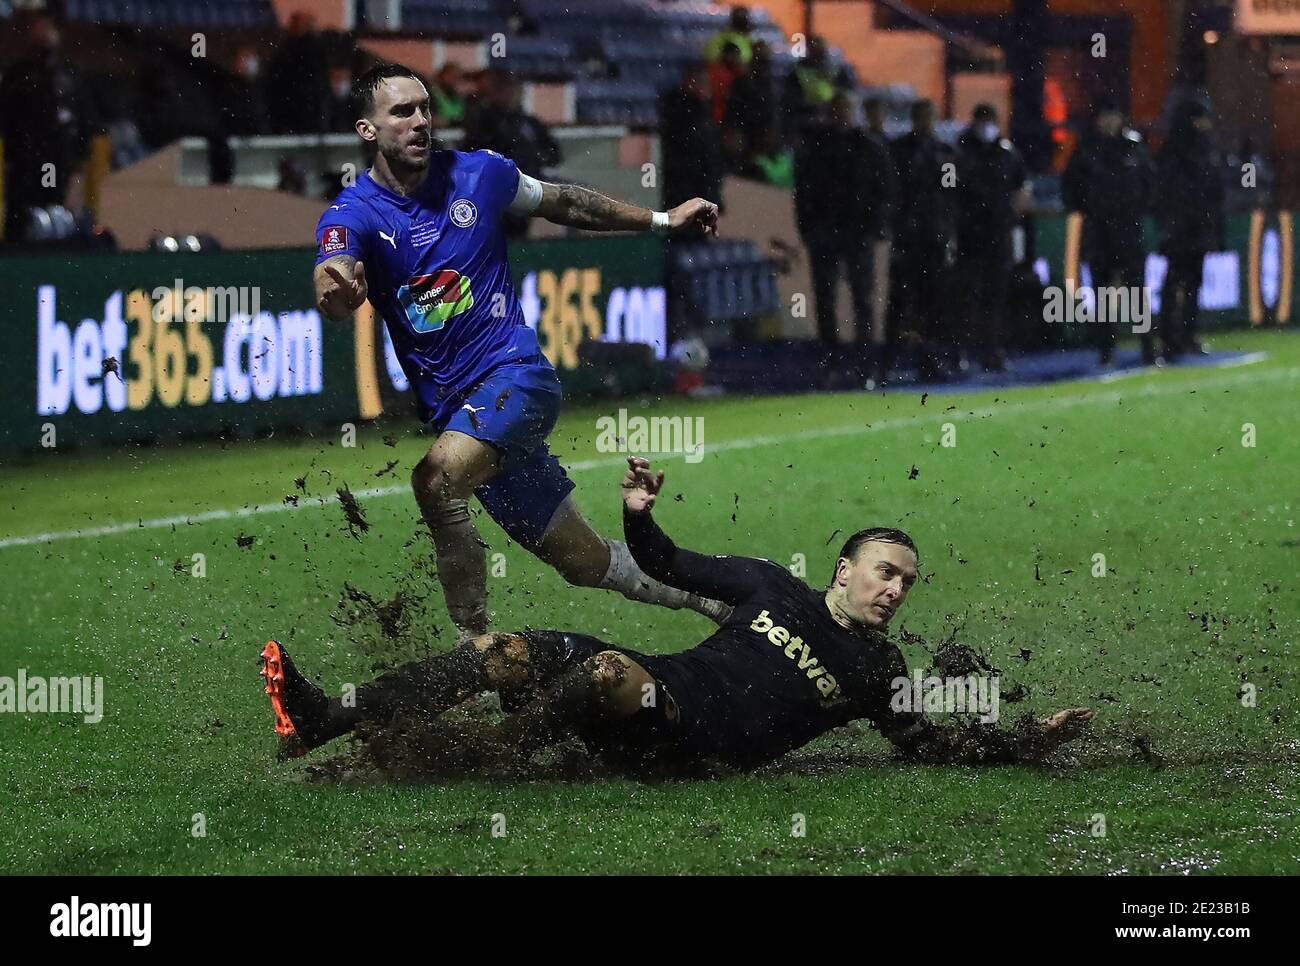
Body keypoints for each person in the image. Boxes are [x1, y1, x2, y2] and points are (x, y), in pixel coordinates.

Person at [261, 457, 1095, 773]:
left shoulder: (881, 673)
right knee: (507, 651)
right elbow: (665, 564)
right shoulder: (772, 586)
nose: (897, 590)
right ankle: (325, 718)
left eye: (908, 583)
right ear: (845, 570)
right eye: (886, 573)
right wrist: (635, 512)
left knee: (603, 674)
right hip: (659, 680)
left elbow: (931, 744)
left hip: (694, 738)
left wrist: (1027, 738)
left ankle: (475, 758)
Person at [312, 65, 728, 644]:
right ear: (366, 129)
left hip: (517, 379)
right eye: (401, 112)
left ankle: (473, 646)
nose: (419, 122)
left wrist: (661, 218)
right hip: (464, 418)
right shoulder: (354, 212)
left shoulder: (479, 173)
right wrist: (338, 292)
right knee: (584, 563)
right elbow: (331, 277)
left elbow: (566, 203)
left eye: (425, 108)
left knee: (434, 482)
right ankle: (716, 601)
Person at [794, 92, 896, 381]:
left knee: (861, 299)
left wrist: (875, 225)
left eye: (846, 109)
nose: (841, 114)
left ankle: (863, 364)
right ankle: (832, 364)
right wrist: (808, 228)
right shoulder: (817, 147)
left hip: (857, 231)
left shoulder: (869, 146)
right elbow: (803, 191)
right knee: (827, 299)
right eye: (837, 109)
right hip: (827, 231)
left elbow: (885, 190)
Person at [1062, 99, 1156, 365]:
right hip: (1098, 230)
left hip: (1128, 229)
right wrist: (1089, 209)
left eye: (1113, 116)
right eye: (1105, 116)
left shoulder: (1134, 147)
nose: (1109, 122)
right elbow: (1070, 187)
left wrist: (1136, 209)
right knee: (1102, 293)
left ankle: (1147, 347)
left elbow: (1150, 183)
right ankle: (1106, 349)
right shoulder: (1086, 149)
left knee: (1137, 291)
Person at [955, 103, 1031, 371]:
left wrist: (1014, 216)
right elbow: (947, 188)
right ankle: (960, 352)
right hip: (969, 234)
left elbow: (1022, 187)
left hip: (998, 233)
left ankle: (992, 349)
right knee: (967, 295)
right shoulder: (959, 152)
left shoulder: (1007, 152)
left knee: (996, 296)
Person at [888, 99, 958, 381]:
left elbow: (951, 195)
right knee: (901, 300)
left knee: (933, 301)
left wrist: (948, 231)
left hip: (933, 235)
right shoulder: (899, 151)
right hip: (908, 236)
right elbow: (893, 193)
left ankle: (928, 359)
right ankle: (890, 360)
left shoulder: (944, 152)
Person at [1153, 100, 1225, 357]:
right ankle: (1170, 338)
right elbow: (1164, 193)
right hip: (1181, 230)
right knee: (1176, 284)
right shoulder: (1175, 153)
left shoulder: (1204, 151)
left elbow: (1215, 193)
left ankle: (1185, 336)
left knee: (1191, 284)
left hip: (1196, 229)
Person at [657, 62, 724, 212]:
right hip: (684, 191)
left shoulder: (702, 113)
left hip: (696, 191)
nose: (708, 88)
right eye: (704, 82)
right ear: (691, 81)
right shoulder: (682, 114)